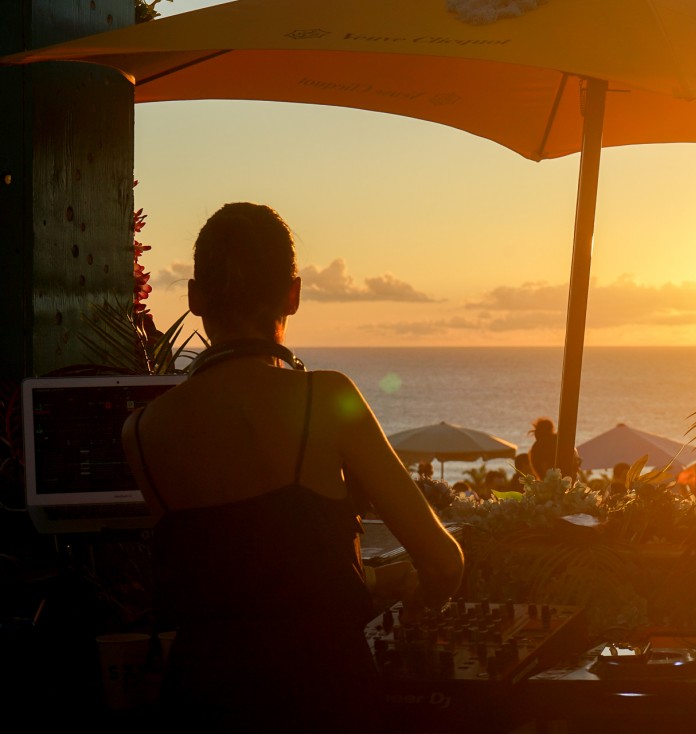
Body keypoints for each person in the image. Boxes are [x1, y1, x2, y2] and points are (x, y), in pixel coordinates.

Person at [121, 203, 464, 733]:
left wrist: (370, 577)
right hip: (321, 695)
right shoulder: (325, 398)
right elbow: (443, 563)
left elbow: (242, 574)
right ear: (293, 295)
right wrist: (419, 599)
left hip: (199, 699)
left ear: (194, 297)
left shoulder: (140, 431)